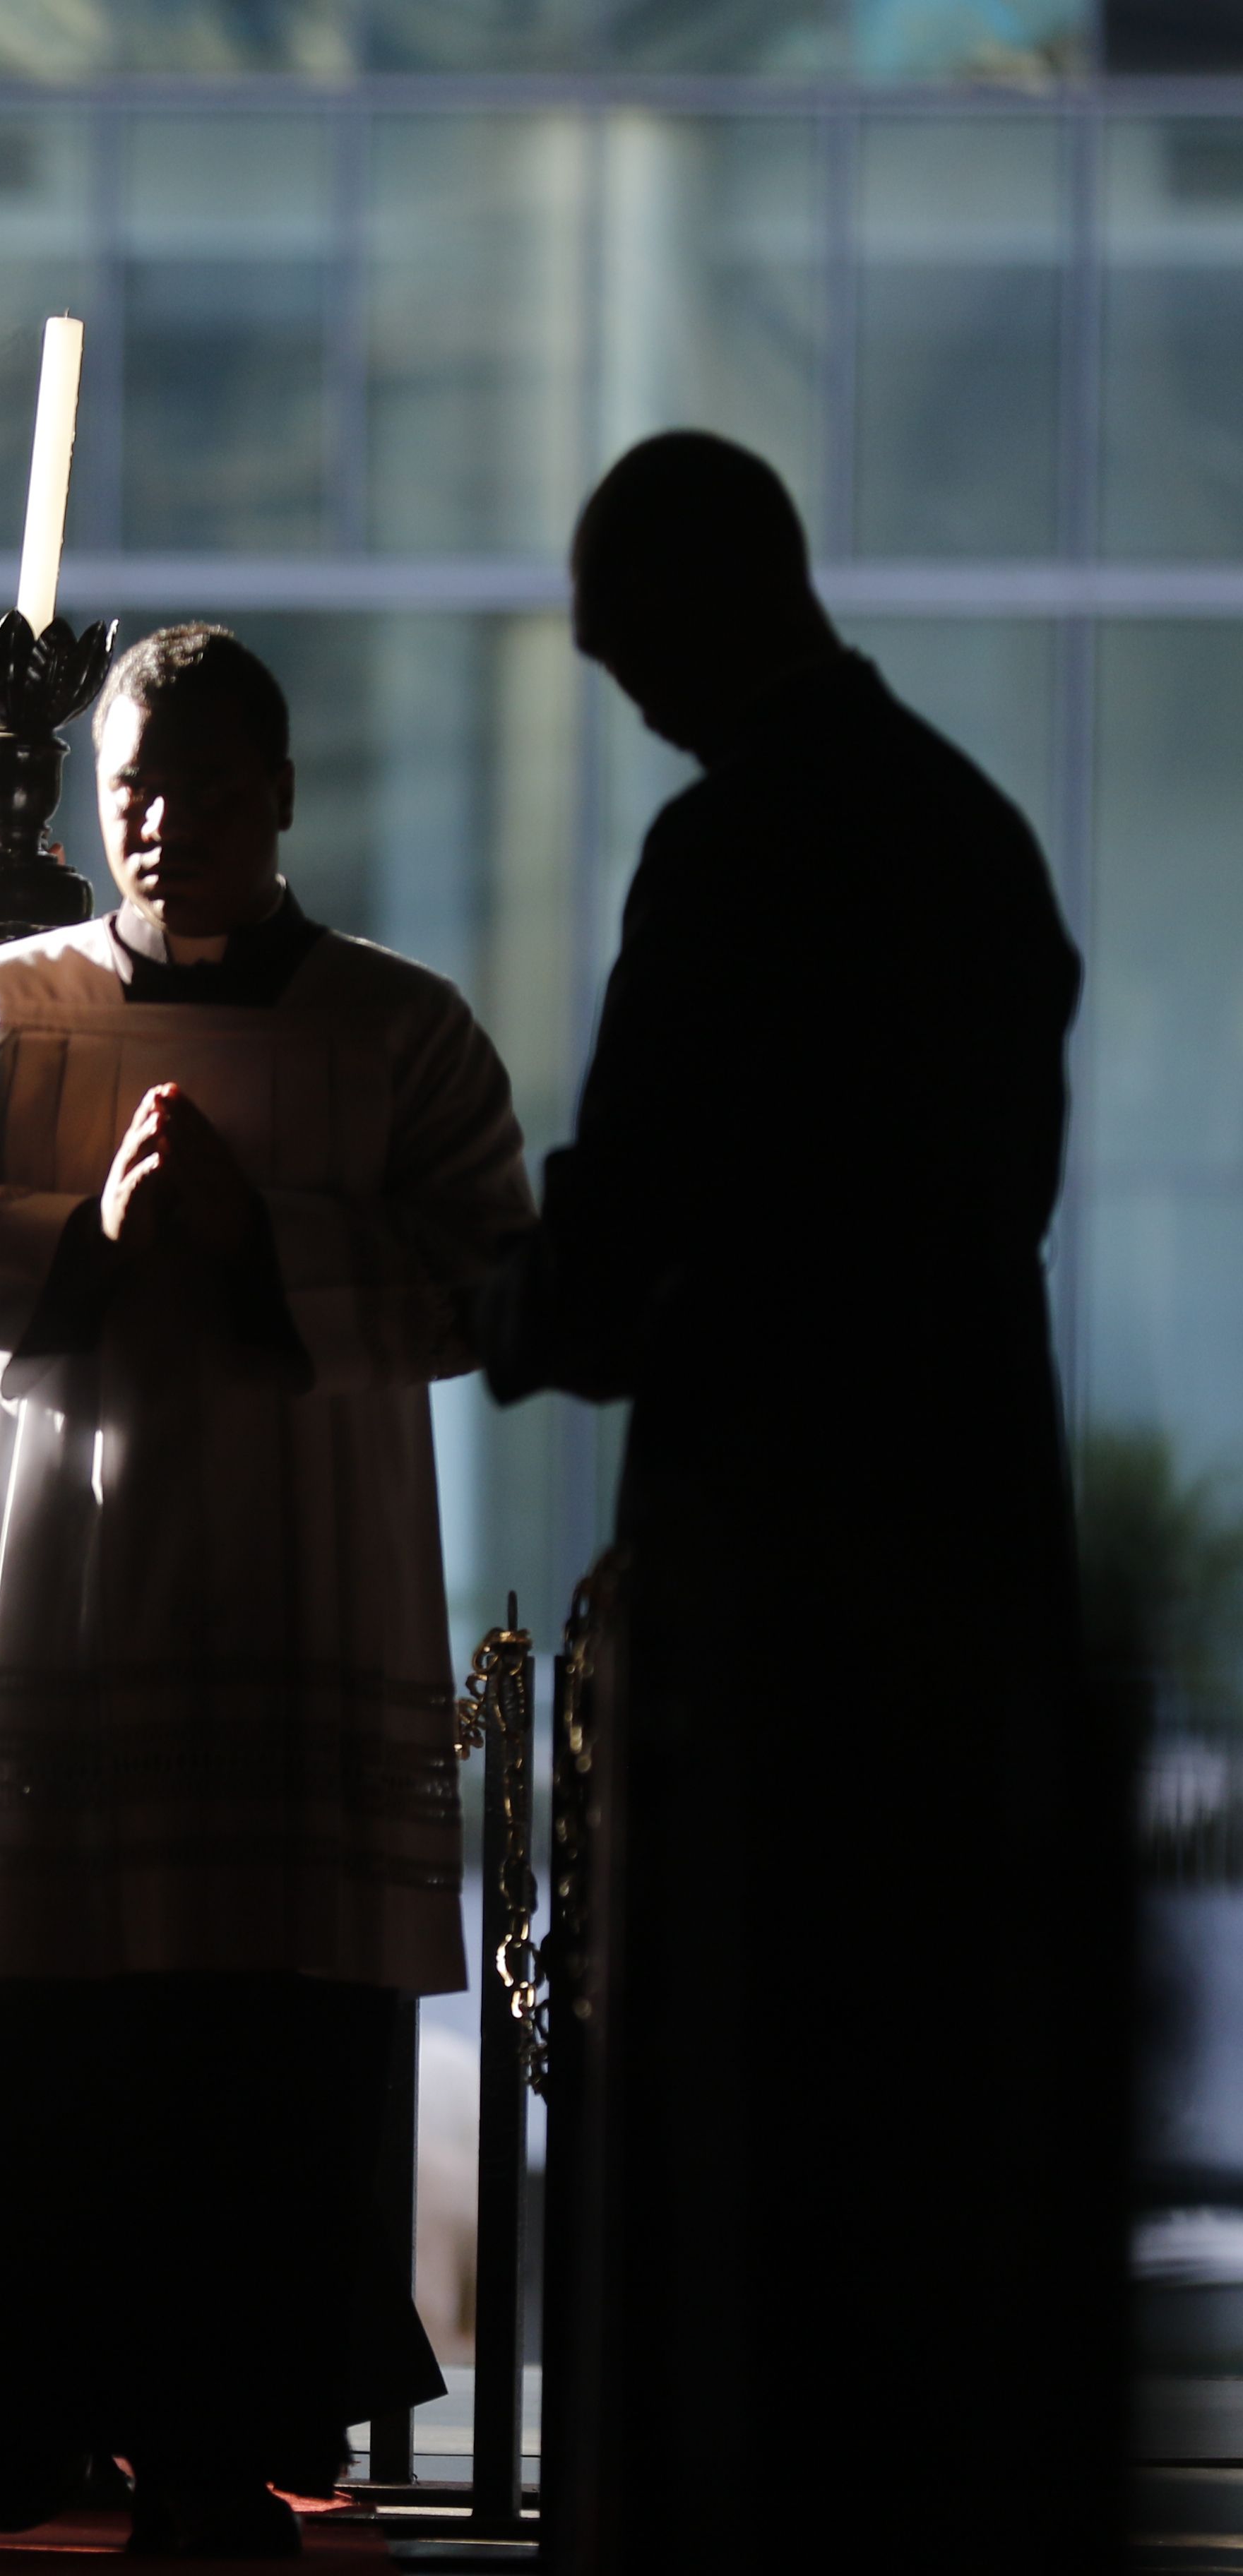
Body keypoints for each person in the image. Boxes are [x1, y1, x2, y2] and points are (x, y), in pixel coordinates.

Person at [0, 625, 530, 2556]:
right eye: (127, 793)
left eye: (195, 785)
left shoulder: (398, 1029)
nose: (157, 825)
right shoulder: (6, 1014)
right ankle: (21, 2422)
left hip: (292, 1586)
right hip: (44, 1597)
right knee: (37, 2034)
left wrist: (264, 1245)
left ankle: (209, 2440)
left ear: (280, 791)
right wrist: (88, 1238)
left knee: (238, 2046)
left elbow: (498, 1279)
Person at [474, 433, 1114, 2575]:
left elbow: (645, 1194)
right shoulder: (972, 834)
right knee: (933, 2081)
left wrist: (503, 1295)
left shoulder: (738, 846)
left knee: (763, 2071)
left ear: (696, 602)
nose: (606, 668)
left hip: (779, 1545)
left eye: (619, 629)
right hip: (963, 1511)